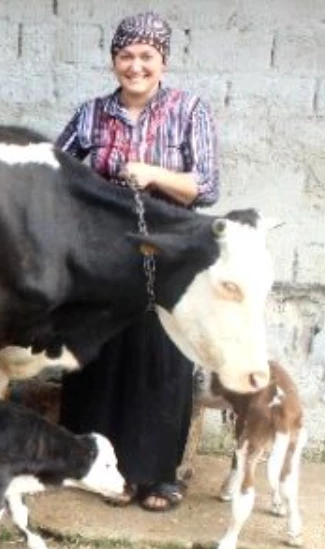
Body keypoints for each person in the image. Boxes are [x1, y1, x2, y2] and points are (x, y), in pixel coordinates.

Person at [55, 11, 220, 512]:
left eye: (147, 56)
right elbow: (55, 168)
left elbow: (207, 186)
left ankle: (156, 476)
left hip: (167, 252)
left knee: (158, 357)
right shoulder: (91, 114)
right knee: (98, 355)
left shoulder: (190, 111)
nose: (136, 66)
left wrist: (152, 173)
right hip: (105, 251)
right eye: (126, 55)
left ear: (163, 63)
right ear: (113, 61)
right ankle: (92, 467)